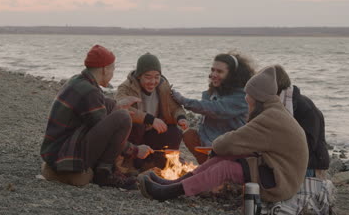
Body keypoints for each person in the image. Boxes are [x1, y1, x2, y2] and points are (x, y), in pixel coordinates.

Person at [138, 66, 309, 202]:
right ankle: (174, 183)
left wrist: (216, 147)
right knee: (221, 158)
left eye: (249, 97)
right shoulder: (274, 111)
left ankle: (168, 192)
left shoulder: (270, 118)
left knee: (225, 167)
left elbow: (228, 143)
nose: (246, 100)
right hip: (276, 170)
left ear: (258, 98)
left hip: (280, 183)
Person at [40, 45, 154, 189]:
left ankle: (105, 169)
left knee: (115, 108)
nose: (113, 74)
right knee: (123, 117)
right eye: (113, 69)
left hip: (56, 150)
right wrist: (136, 150)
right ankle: (104, 174)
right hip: (63, 155)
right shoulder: (90, 92)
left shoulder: (79, 80)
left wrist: (118, 105)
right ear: (104, 69)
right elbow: (105, 134)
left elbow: (100, 107)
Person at [171, 52, 255, 164]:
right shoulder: (212, 93)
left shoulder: (241, 96)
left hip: (232, 147)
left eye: (219, 71)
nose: (213, 74)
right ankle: (208, 165)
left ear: (232, 75)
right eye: (212, 70)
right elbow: (204, 124)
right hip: (211, 146)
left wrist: (183, 100)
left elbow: (215, 109)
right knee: (189, 135)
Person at [115, 53, 187, 170]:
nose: (153, 81)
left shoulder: (163, 86)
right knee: (137, 127)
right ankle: (131, 163)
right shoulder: (126, 87)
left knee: (174, 132)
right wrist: (150, 119)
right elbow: (120, 109)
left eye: (156, 76)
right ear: (139, 76)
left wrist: (181, 118)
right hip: (134, 136)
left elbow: (175, 108)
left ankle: (163, 162)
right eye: (148, 77)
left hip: (152, 134)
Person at [273, 65, 330, 178]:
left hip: (310, 165)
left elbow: (306, 147)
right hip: (298, 160)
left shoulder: (304, 108)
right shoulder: (282, 104)